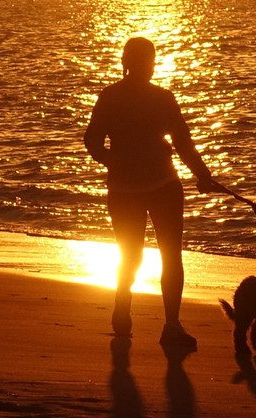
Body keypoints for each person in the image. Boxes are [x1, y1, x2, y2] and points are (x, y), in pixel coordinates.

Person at [84, 36, 219, 349]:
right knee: (139, 256)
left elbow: (182, 142)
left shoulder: (152, 97)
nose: (150, 66)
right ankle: (131, 309)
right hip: (132, 188)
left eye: (151, 61)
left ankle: (168, 324)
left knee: (161, 256)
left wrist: (202, 174)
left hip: (159, 186)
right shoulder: (120, 97)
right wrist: (111, 161)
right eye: (147, 61)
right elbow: (92, 140)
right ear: (129, 63)